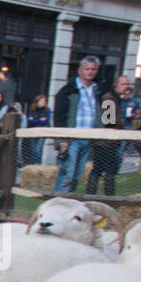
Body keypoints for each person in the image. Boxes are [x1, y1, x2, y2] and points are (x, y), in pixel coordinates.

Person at [53, 55, 102, 193]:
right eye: (87, 69)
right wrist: (62, 140)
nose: (90, 72)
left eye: (93, 69)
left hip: (88, 138)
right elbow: (59, 117)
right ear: (80, 70)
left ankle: (68, 204)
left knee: (77, 175)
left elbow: (107, 113)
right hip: (71, 139)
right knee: (66, 174)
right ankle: (59, 205)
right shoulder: (67, 90)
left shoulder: (99, 90)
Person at [86, 77, 124, 196]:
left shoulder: (115, 98)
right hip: (106, 141)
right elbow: (109, 120)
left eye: (127, 84)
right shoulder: (109, 98)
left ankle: (92, 195)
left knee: (99, 169)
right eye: (123, 84)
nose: (126, 86)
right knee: (107, 170)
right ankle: (107, 197)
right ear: (116, 84)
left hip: (108, 140)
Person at [23, 94, 51, 166]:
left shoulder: (47, 110)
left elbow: (46, 121)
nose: (44, 102)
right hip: (33, 131)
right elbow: (29, 121)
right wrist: (40, 120)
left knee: (38, 149)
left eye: (44, 101)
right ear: (37, 102)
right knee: (33, 150)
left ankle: (38, 165)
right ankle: (33, 165)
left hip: (42, 132)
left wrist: (35, 120)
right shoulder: (32, 110)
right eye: (42, 101)